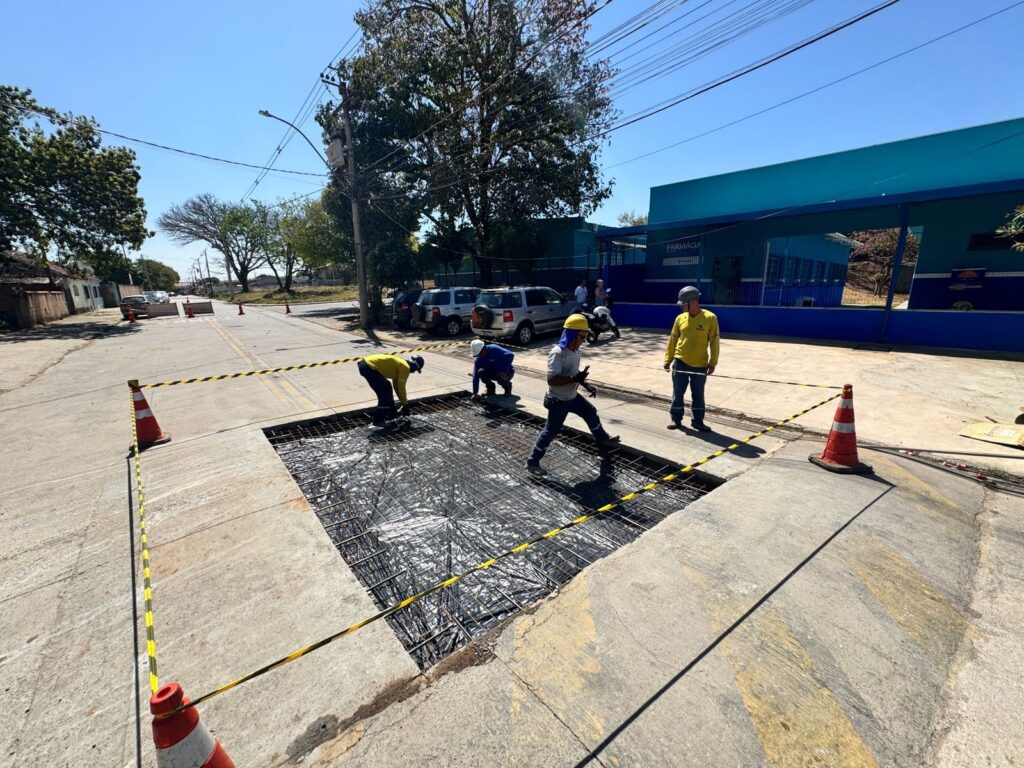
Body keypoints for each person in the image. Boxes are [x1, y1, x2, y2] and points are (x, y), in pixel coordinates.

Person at [527, 314, 620, 476]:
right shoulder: (558, 353)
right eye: (582, 337)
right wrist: (574, 378)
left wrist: (586, 385)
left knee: (590, 412)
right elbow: (552, 380)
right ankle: (532, 462)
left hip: (572, 396)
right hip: (558, 400)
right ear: (572, 335)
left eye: (586, 336)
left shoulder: (575, 351)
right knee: (550, 431)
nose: (584, 340)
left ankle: (602, 439)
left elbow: (575, 373)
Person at [663, 286, 719, 432]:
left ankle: (698, 421)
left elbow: (714, 342)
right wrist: (668, 359)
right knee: (678, 394)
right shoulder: (680, 318)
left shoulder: (710, 318)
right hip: (680, 362)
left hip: (700, 365)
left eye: (683, 303)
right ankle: (676, 419)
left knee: (698, 395)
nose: (681, 306)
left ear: (694, 302)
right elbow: (673, 340)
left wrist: (712, 363)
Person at [358, 353, 425, 426]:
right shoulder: (405, 367)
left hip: (365, 365)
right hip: (369, 367)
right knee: (385, 394)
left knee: (387, 387)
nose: (414, 372)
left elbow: (397, 387)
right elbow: (401, 388)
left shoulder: (401, 364)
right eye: (416, 370)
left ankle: (392, 414)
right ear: (415, 365)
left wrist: (403, 403)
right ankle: (378, 421)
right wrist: (405, 405)